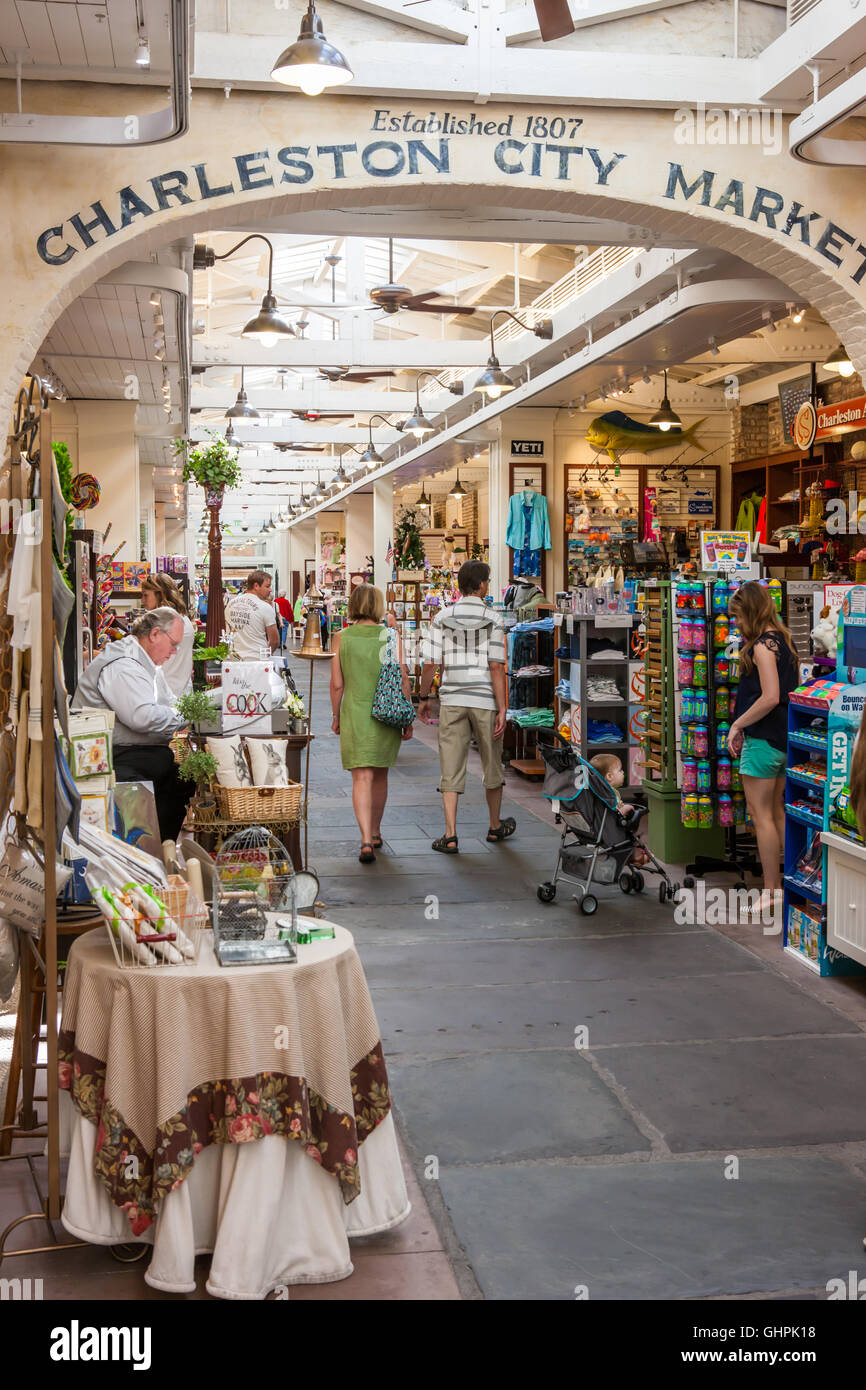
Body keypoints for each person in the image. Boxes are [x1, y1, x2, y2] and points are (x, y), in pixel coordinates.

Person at [418, 560, 514, 854]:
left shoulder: (442, 617)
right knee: (491, 762)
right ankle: (495, 826)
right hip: (484, 698)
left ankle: (450, 834)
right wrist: (502, 708)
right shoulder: (494, 619)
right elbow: (497, 667)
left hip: (452, 699)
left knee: (450, 764)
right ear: (482, 585)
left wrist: (423, 698)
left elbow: (431, 662)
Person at [71, 607, 191, 842]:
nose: (175, 652)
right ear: (155, 634)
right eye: (173, 644)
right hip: (101, 755)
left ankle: (160, 850)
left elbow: (168, 703)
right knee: (171, 771)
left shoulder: (144, 662)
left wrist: (182, 712)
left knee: (180, 776)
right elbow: (143, 717)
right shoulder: (124, 664)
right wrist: (185, 716)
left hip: (122, 749)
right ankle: (148, 849)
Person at [726, 581, 799, 919]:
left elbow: (769, 696)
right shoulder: (786, 641)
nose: (737, 625)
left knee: (762, 817)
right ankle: (796, 881)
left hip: (763, 740)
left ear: (751, 613)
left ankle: (772, 890)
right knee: (780, 813)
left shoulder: (761, 646)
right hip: (785, 738)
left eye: (738, 618)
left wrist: (738, 723)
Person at [329, 583, 413, 863]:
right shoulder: (390, 636)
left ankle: (365, 838)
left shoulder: (341, 637)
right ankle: (376, 831)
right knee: (380, 775)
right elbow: (401, 678)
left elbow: (337, 685)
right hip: (386, 712)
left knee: (360, 777)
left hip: (355, 712)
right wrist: (407, 714)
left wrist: (335, 715)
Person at [141, 572, 195, 696]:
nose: (142, 600)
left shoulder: (156, 623)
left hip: (162, 694)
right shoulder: (184, 619)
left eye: (146, 595)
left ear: (161, 594)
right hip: (183, 693)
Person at [589, 753, 647, 865]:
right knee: (633, 831)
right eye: (620, 770)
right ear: (609, 776)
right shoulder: (609, 795)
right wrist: (626, 808)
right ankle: (635, 856)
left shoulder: (598, 792)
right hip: (612, 831)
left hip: (598, 830)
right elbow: (616, 812)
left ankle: (635, 854)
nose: (623, 772)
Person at [225, 569, 279, 659]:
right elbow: (274, 641)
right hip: (256, 660)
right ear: (256, 586)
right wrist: (266, 655)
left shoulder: (231, 604)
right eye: (267, 586)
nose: (270, 590)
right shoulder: (265, 607)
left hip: (233, 659)